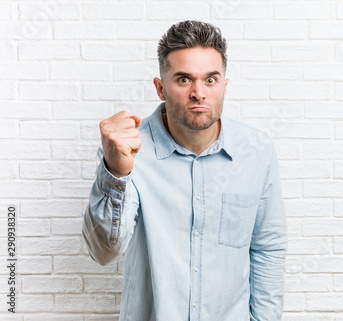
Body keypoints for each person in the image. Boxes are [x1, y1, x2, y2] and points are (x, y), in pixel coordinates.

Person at [82, 20, 288, 321]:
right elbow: (103, 252)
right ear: (160, 87)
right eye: (183, 80)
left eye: (210, 80)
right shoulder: (126, 151)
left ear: (225, 86)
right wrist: (117, 172)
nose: (198, 93)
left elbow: (268, 249)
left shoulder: (256, 151)